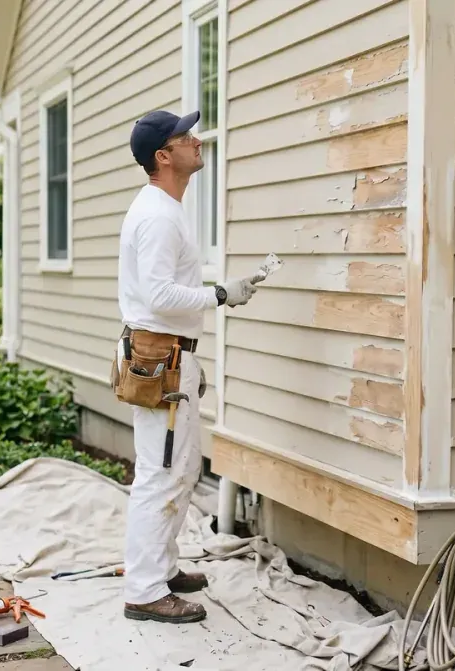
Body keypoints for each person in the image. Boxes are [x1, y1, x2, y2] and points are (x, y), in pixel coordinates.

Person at [116, 109, 260, 624]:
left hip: (170, 356)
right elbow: (158, 294)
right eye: (185, 137)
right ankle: (144, 591)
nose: (197, 141)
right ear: (163, 156)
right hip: (162, 359)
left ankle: (162, 568)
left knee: (178, 468)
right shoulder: (158, 216)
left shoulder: (165, 208)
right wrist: (220, 294)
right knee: (160, 474)